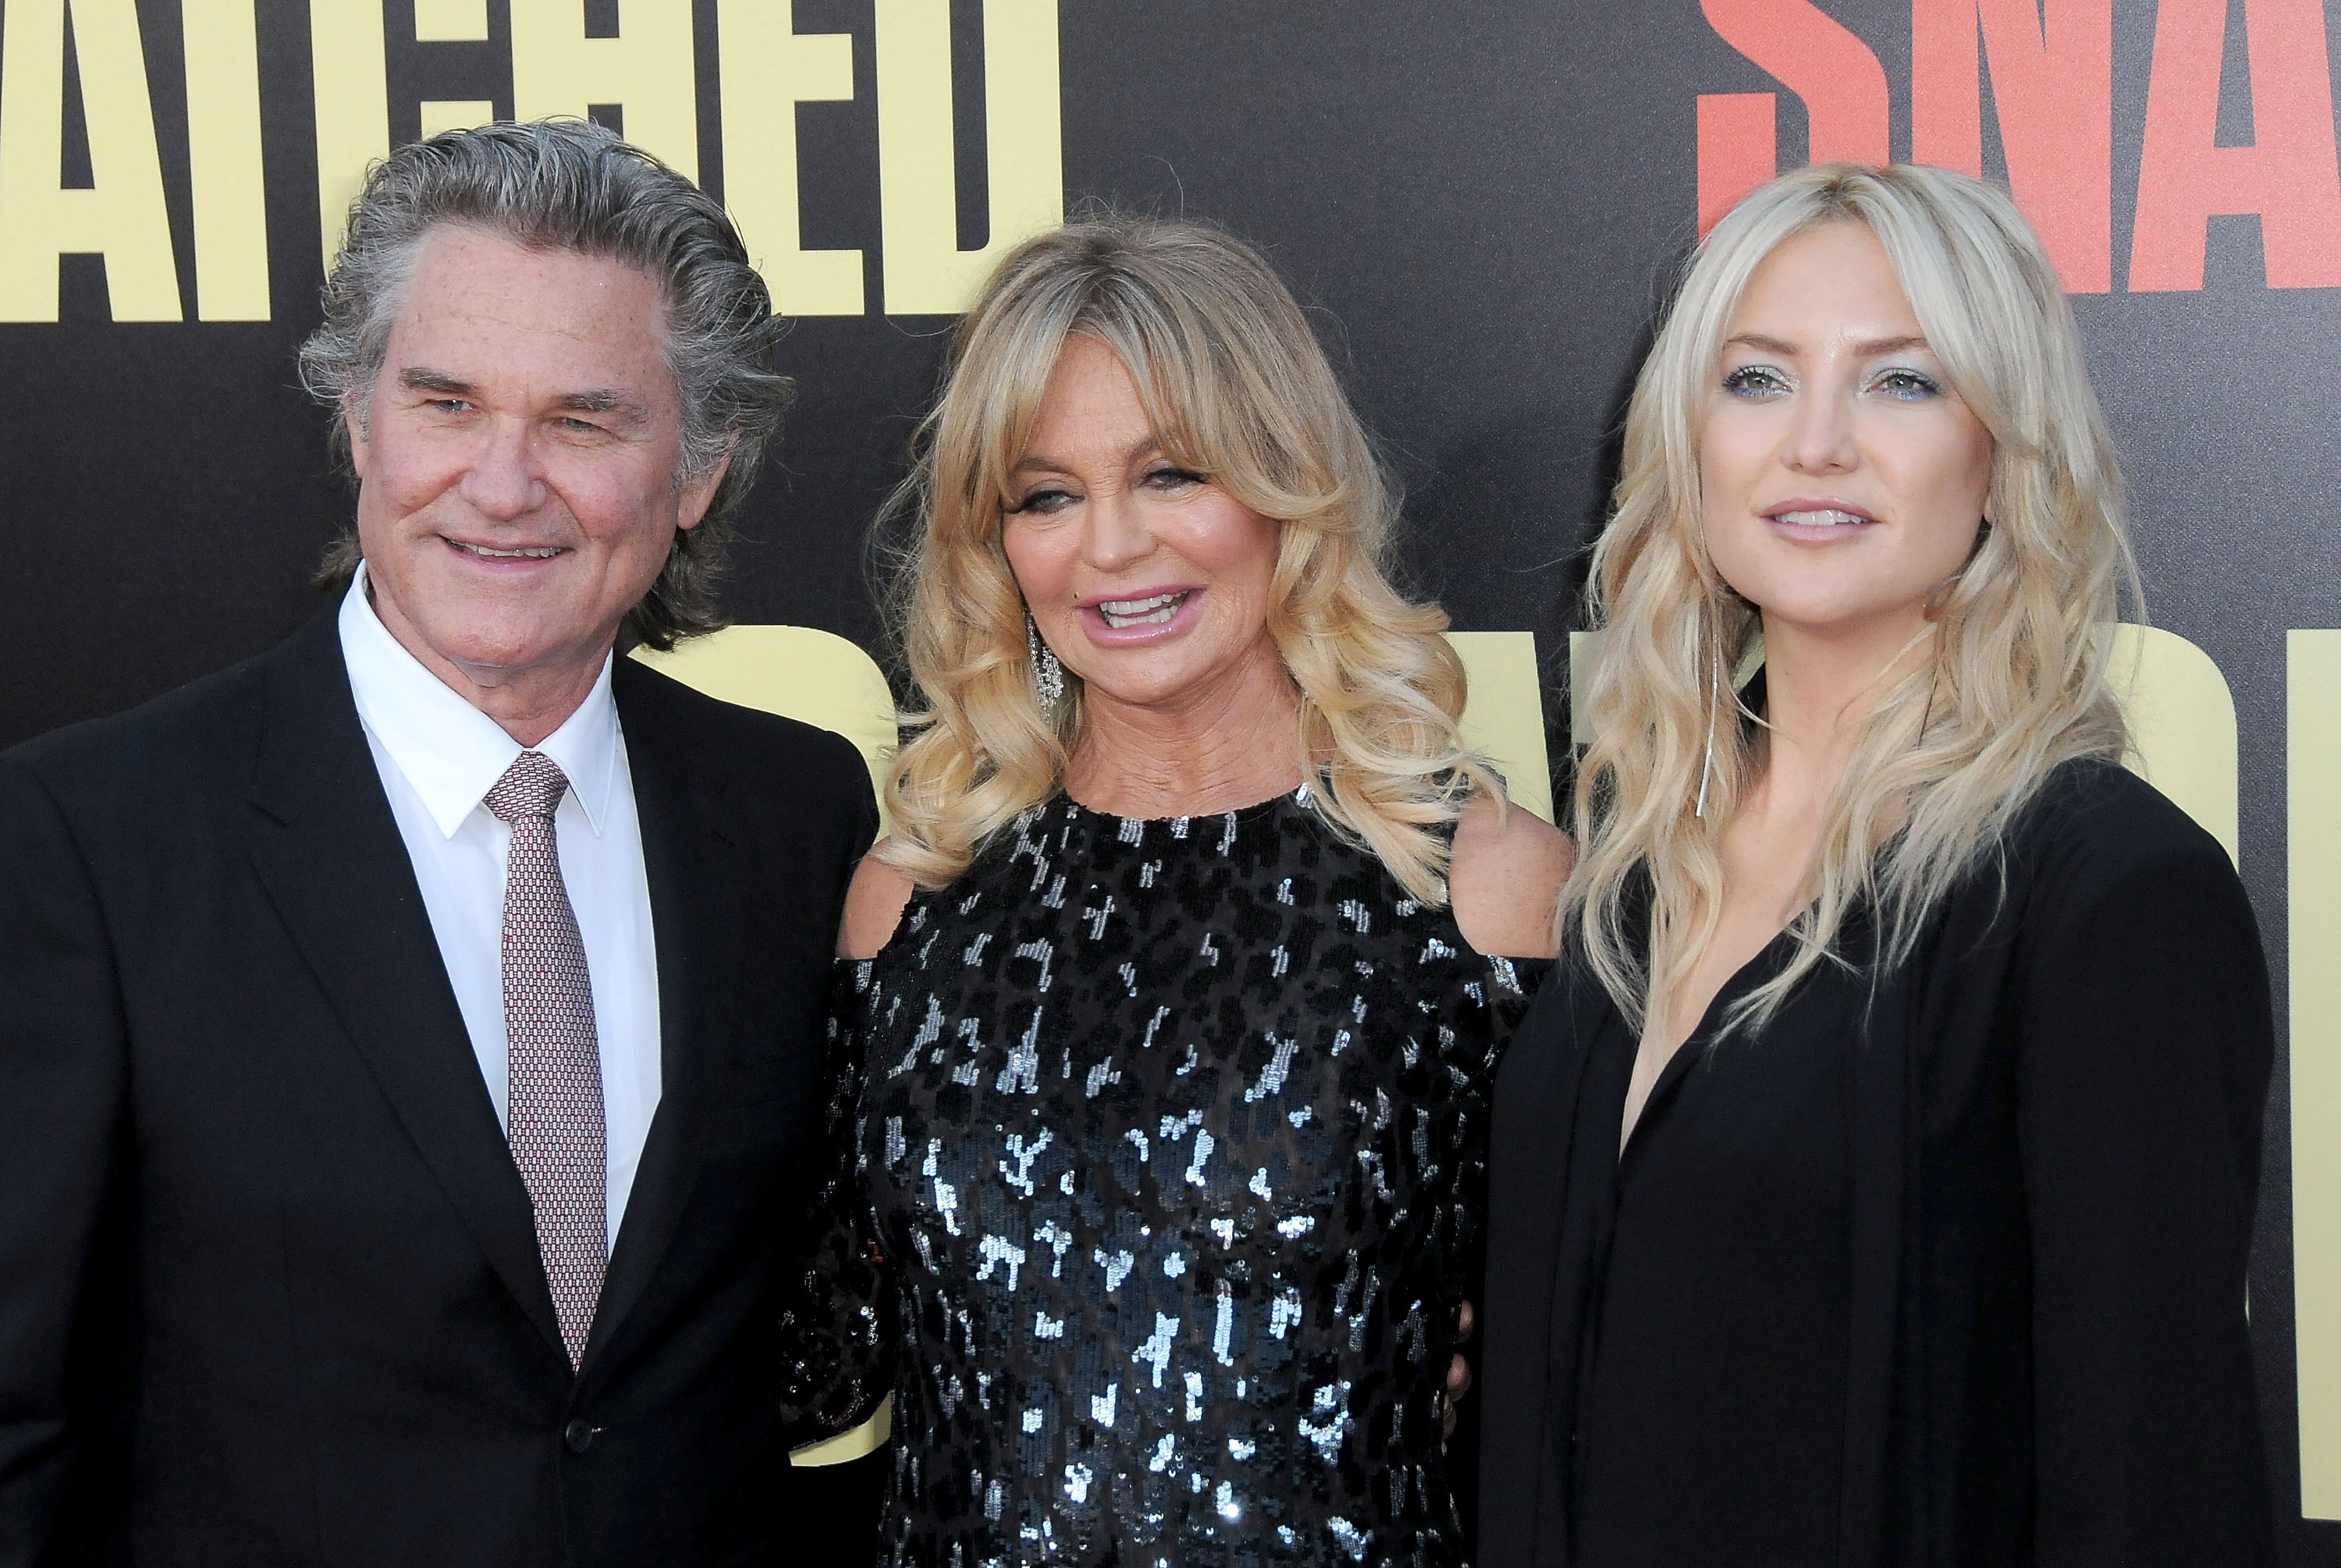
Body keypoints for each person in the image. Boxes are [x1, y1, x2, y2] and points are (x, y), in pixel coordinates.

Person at [0, 121, 877, 1566]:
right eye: (449, 401)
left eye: (584, 419)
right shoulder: (90, 839)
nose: (504, 482)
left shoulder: (796, 814)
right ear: (360, 419)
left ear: (701, 466)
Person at [1477, 161, 2275, 1566]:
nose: (1818, 443)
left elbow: (2160, 1492)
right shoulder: (1634, 881)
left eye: (1901, 382)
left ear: (2002, 452)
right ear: (1691, 442)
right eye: (1759, 379)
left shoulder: (2106, 896)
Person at [784, 215, 1571, 1565]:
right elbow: (821, 1367)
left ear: (1285, 484)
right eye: (1045, 495)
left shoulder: (1478, 890)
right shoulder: (915, 901)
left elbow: (1585, 1384)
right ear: (996, 539)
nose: (1110, 548)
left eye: (1170, 474)